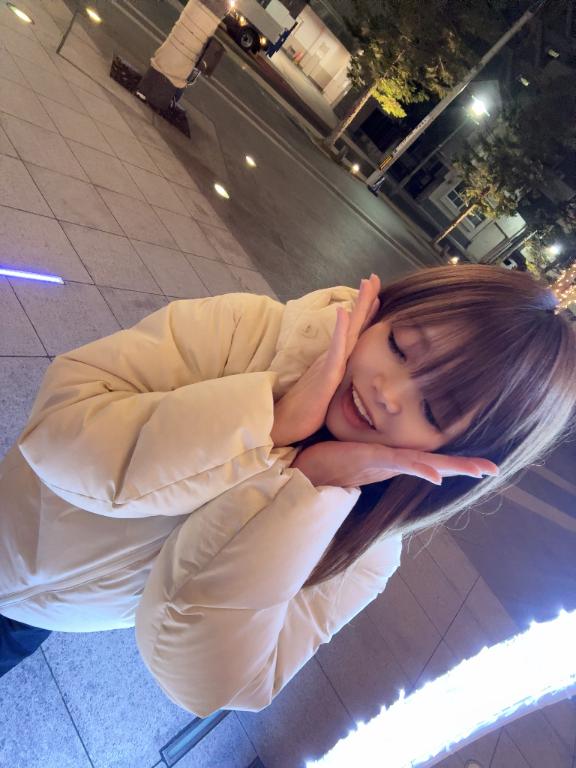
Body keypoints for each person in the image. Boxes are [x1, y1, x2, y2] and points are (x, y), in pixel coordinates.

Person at [0, 266, 574, 716]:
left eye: (435, 409)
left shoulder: (368, 554)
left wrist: (307, 495)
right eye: (401, 346)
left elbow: (210, 680)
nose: (388, 392)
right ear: (384, 312)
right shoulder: (247, 331)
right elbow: (59, 433)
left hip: (49, 615)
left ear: (463, 453)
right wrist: (267, 421)